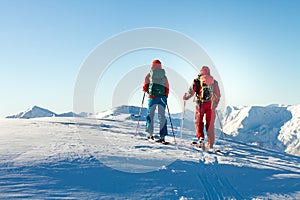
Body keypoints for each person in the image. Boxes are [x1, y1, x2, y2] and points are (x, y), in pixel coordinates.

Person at [183, 66, 221, 149]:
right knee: (210, 124)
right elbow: (218, 95)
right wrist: (215, 104)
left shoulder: (196, 81)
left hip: (200, 104)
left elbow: (191, 92)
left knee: (198, 121)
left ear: (200, 72)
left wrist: (185, 97)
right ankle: (210, 144)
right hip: (210, 105)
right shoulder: (214, 82)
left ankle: (201, 138)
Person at [143, 59, 169, 144]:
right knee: (162, 116)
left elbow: (145, 86)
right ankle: (162, 136)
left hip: (152, 97)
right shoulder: (164, 76)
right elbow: (167, 86)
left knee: (150, 115)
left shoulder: (149, 75)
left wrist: (145, 90)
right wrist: (165, 96)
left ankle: (150, 134)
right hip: (162, 97)